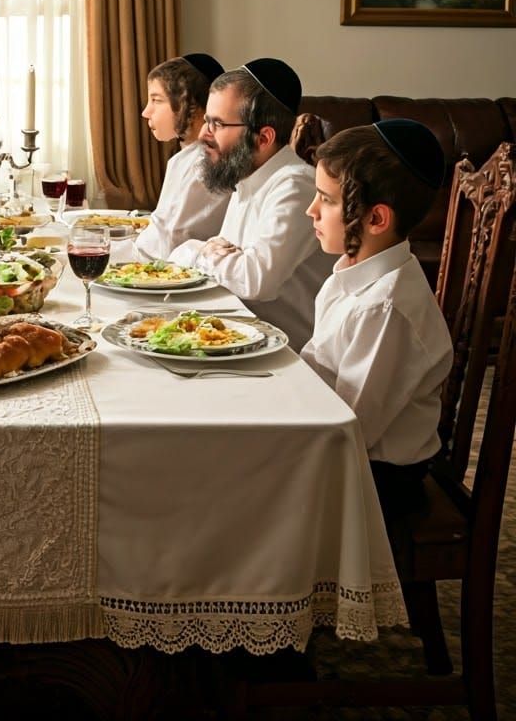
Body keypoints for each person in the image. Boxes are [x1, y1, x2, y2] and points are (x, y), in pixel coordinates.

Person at [301, 120, 452, 521]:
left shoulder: (385, 305)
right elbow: (318, 366)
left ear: (376, 219)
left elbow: (352, 429)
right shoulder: (352, 272)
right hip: (351, 447)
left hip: (382, 477)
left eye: (326, 200)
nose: (311, 210)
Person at [169, 58, 332, 350]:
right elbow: (223, 263)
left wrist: (198, 251)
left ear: (263, 137)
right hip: (239, 342)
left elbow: (256, 280)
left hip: (287, 357)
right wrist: (207, 250)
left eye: (216, 124)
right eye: (207, 121)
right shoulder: (247, 178)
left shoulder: (294, 187)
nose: (204, 135)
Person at [135, 52, 231, 262]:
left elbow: (172, 241)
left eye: (156, 100)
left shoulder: (207, 163)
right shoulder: (185, 157)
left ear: (191, 105)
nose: (145, 112)